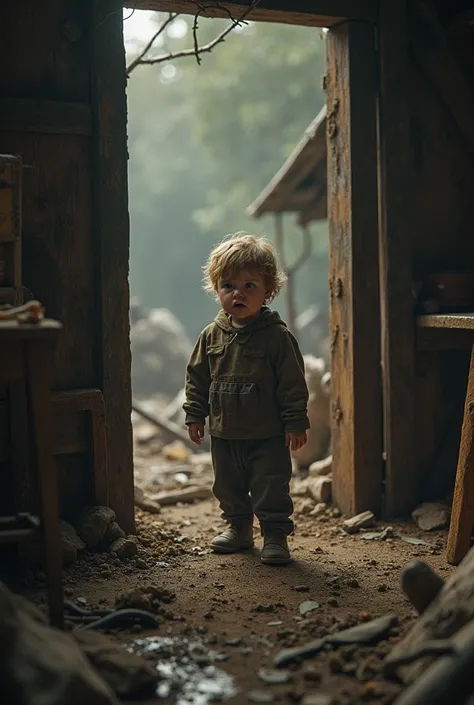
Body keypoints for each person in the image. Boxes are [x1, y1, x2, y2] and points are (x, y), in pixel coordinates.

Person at [183, 233, 309, 565]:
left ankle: (275, 535)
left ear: (269, 290)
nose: (238, 293)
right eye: (228, 286)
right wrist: (195, 416)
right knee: (228, 487)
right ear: (216, 289)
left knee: (271, 487)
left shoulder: (277, 337)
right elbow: (197, 378)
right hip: (225, 434)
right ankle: (239, 529)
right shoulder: (210, 336)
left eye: (249, 285)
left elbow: (293, 383)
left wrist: (295, 422)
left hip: (267, 434)